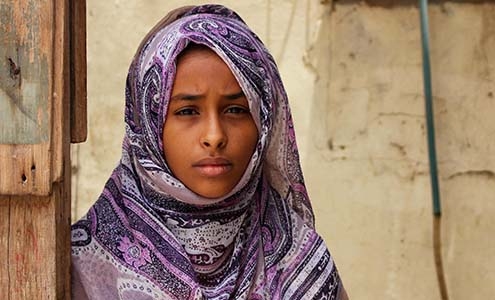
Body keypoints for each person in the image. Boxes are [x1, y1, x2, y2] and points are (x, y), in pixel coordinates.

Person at [71, 4, 348, 300]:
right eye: (188, 111)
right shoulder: (81, 266)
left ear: (264, 122)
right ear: (149, 125)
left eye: (236, 110)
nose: (214, 136)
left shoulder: (301, 266)